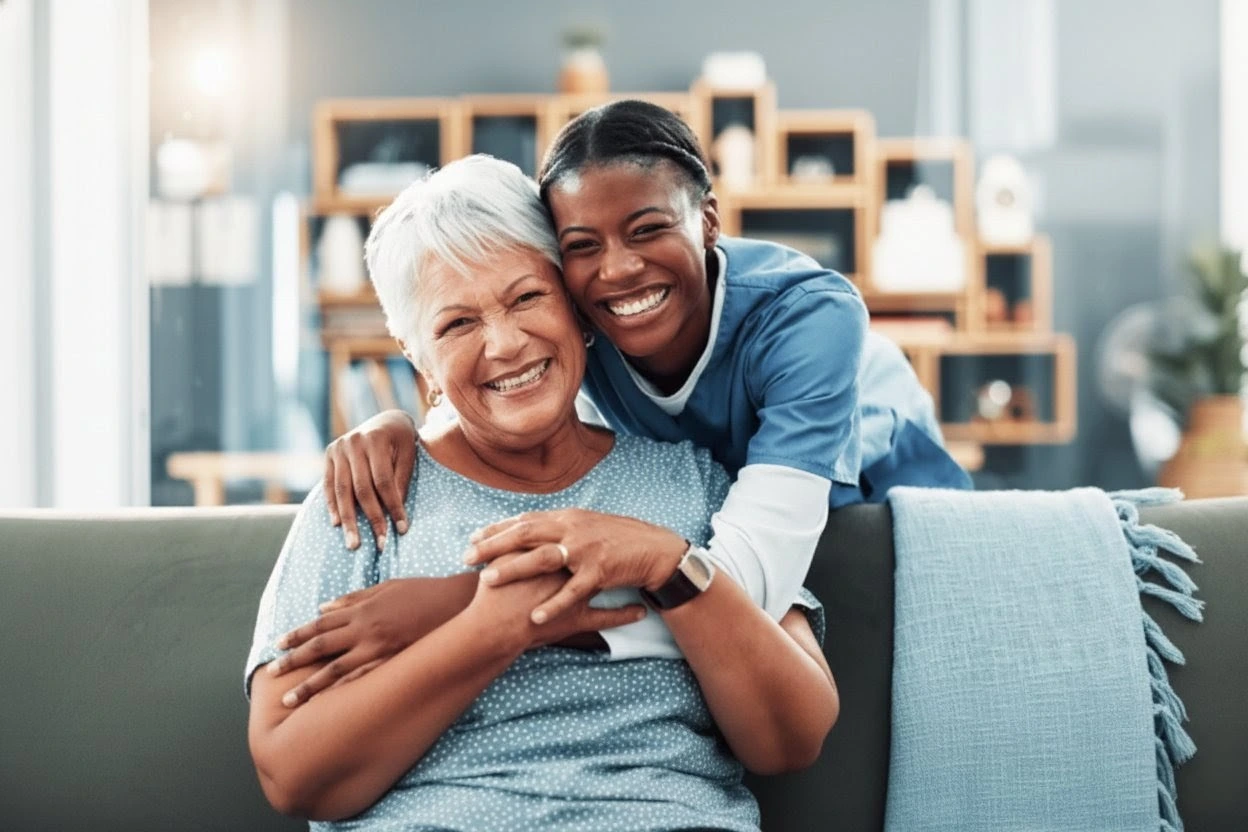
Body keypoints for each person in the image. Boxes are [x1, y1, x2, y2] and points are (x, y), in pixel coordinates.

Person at [284, 99, 969, 700]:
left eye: (647, 229)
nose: (617, 269)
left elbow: (737, 593)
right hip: (739, 505)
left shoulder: (807, 320)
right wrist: (400, 424)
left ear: (707, 220)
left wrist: (457, 608)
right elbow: (492, 374)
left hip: (872, 482)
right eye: (583, 245)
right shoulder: (589, 319)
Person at [246, 154, 838, 831]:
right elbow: (291, 775)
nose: (504, 343)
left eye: (527, 298)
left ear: (578, 308)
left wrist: (665, 564)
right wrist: (493, 628)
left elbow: (793, 739)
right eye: (457, 324)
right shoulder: (367, 497)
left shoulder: (690, 482)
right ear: (420, 359)